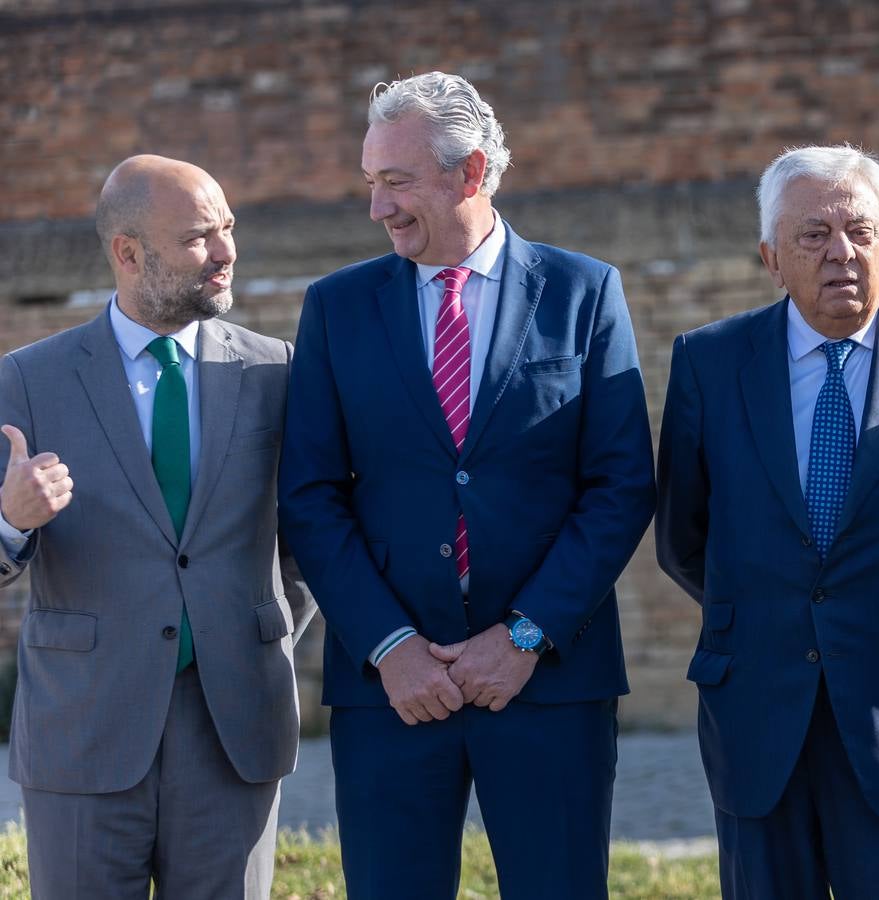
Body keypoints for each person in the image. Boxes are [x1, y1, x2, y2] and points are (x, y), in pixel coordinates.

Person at [278, 71, 656, 899]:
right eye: (370, 184)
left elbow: (621, 484)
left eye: (397, 182)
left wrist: (524, 638)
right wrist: (391, 647)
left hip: (550, 683)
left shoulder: (584, 291)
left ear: (471, 173)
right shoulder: (336, 307)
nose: (378, 207)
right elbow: (308, 495)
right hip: (390, 693)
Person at [655, 145, 879, 900]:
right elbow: (685, 537)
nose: (840, 252)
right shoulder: (710, 364)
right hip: (759, 719)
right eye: (812, 235)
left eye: (860, 231)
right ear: (771, 258)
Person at [0, 154, 311, 899]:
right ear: (129, 254)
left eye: (229, 228)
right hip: (83, 734)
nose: (227, 252)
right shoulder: (27, 379)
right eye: (201, 237)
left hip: (235, 730)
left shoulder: (276, 373)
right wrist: (11, 521)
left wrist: (259, 635)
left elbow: (306, 546)